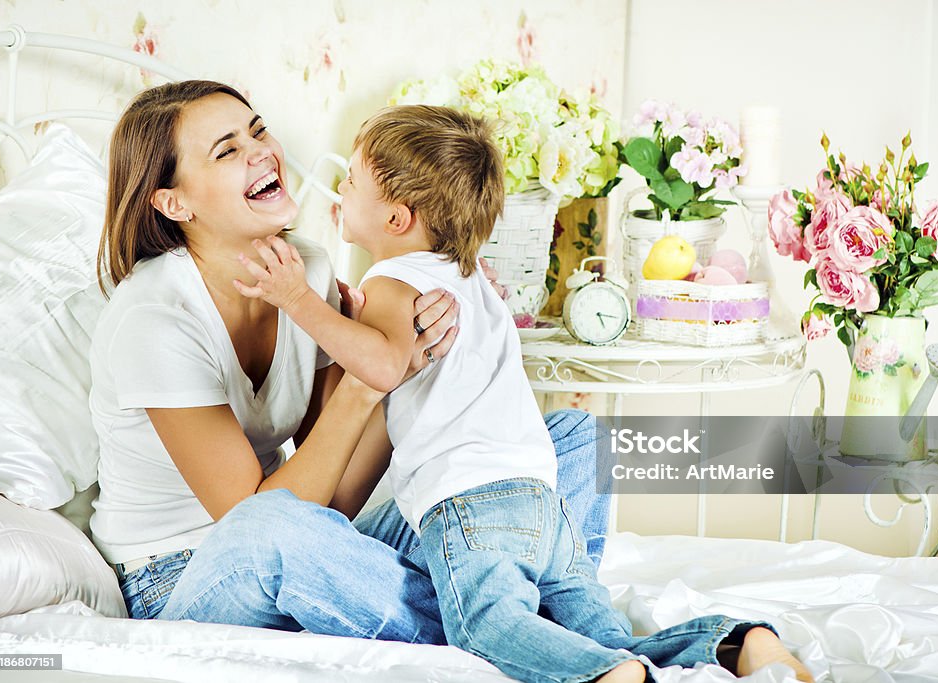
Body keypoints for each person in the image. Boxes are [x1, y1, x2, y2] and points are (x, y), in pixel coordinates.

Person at [235, 104, 813, 683]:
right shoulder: (467, 278)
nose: (340, 188)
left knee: (483, 627)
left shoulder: (393, 278)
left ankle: (598, 677)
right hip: (541, 498)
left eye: (353, 182)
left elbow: (385, 365)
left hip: (469, 504)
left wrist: (296, 300)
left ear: (397, 218)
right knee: (598, 630)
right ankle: (739, 645)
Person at [89, 80, 607, 645]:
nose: (260, 150)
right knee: (274, 529)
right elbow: (255, 519)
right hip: (189, 572)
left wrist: (408, 369)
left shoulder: (307, 271)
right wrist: (366, 385)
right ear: (173, 202)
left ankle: (514, 609)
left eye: (257, 130)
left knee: (580, 439)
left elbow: (333, 499)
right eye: (227, 149)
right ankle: (501, 621)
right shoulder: (155, 318)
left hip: (309, 536)